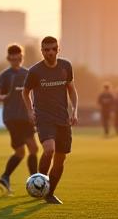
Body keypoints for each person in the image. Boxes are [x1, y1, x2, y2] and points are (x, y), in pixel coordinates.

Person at [22, 36, 78, 205]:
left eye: (53, 49)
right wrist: (30, 111)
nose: (50, 52)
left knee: (60, 159)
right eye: (46, 50)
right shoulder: (35, 71)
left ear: (58, 49)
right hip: (44, 118)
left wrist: (74, 111)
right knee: (49, 150)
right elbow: (25, 92)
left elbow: (72, 90)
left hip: (63, 118)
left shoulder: (66, 66)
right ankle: (39, 183)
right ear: (42, 51)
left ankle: (49, 193)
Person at [0, 44, 39, 195]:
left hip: (25, 117)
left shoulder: (28, 73)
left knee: (31, 149)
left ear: (21, 57)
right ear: (8, 59)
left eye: (18, 58)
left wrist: (32, 111)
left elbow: (32, 94)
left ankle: (8, 177)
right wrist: (6, 96)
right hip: (12, 118)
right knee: (22, 151)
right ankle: (33, 180)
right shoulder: (5, 76)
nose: (15, 60)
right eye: (12, 59)